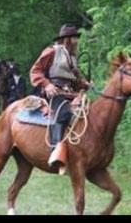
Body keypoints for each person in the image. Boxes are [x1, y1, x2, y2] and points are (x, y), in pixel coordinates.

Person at [29, 24, 92, 175]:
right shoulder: (52, 51)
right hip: (54, 93)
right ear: (67, 40)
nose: (77, 41)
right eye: (75, 38)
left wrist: (84, 84)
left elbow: (75, 80)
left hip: (71, 93)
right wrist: (47, 84)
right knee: (63, 114)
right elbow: (35, 71)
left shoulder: (72, 57)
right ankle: (56, 152)